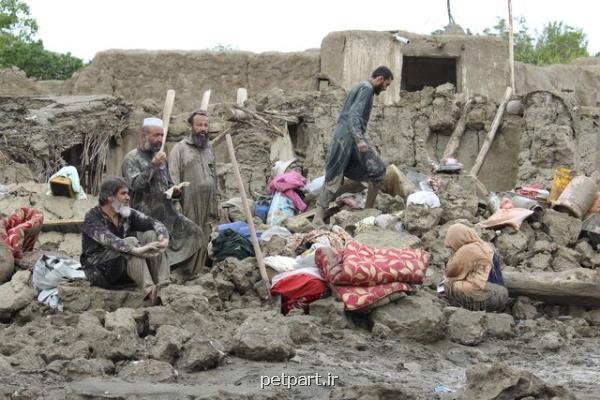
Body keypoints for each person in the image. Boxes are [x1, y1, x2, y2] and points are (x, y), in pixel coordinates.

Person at [121, 117, 204, 279]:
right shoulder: (131, 159)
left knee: (195, 233)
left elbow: (167, 184)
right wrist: (153, 165)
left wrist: (175, 191)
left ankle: (181, 273)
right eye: (156, 136)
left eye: (161, 135)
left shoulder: (160, 158)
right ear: (144, 136)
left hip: (168, 213)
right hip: (144, 218)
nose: (160, 139)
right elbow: (136, 185)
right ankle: (162, 276)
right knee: (156, 242)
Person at [313, 66, 393, 225]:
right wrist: (359, 139)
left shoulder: (361, 86)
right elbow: (354, 115)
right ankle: (319, 217)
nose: (385, 89)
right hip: (347, 138)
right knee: (337, 175)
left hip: (345, 136)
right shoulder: (367, 88)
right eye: (386, 85)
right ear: (380, 79)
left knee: (372, 170)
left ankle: (366, 211)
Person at [81, 176, 169, 303]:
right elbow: (109, 240)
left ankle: (164, 287)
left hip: (125, 267)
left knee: (151, 235)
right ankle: (151, 294)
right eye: (123, 193)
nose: (128, 197)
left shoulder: (126, 213)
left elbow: (154, 222)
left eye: (128, 193)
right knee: (131, 241)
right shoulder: (92, 217)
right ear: (109, 197)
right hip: (102, 272)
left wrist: (163, 238)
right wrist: (136, 250)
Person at [169, 110, 219, 270]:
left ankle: (198, 271)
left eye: (206, 125)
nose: (203, 128)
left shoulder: (209, 149)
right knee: (190, 234)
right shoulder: (180, 149)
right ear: (191, 126)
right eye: (199, 125)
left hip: (208, 202)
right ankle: (185, 271)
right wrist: (176, 197)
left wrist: (216, 202)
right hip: (188, 201)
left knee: (204, 234)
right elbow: (173, 176)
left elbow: (215, 176)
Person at [441, 223, 509, 312]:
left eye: (451, 245)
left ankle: (462, 307)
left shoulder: (467, 250)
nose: (452, 249)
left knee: (444, 285)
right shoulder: (484, 246)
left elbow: (450, 272)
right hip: (502, 294)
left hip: (488, 295)